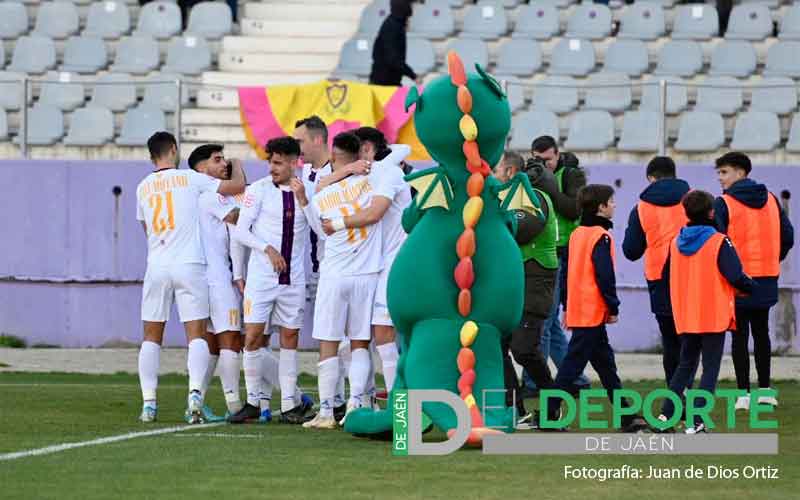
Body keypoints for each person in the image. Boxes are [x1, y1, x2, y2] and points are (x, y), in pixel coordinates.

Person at [135, 131, 245, 423]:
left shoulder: (143, 187)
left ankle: (149, 404)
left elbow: (146, 228)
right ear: (173, 149)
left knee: (151, 336)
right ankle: (195, 396)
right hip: (189, 264)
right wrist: (237, 161)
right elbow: (236, 186)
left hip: (156, 264)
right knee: (196, 335)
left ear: (151, 155)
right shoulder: (189, 178)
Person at [298, 132, 384, 429]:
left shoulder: (322, 194)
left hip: (334, 273)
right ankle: (356, 404)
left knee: (329, 343)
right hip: (366, 273)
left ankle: (325, 412)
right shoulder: (372, 183)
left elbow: (321, 232)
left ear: (333, 157)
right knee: (360, 344)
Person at [228, 137, 315, 424]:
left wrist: (304, 201)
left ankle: (290, 404)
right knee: (252, 337)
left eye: (278, 162)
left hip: (294, 280)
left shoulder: (308, 190)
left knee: (290, 338)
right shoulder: (259, 190)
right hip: (262, 279)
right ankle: (253, 401)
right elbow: (240, 231)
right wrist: (266, 248)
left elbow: (321, 231)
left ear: (294, 163)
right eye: (270, 162)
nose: (272, 168)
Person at [319, 127, 412, 395]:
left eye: (356, 154)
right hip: (372, 265)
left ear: (368, 150)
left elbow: (375, 213)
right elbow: (323, 186)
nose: (351, 162)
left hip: (394, 262)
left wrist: (336, 223)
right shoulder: (371, 173)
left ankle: (398, 400)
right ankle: (364, 398)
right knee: (360, 338)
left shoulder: (388, 173)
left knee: (382, 333)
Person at [547, 184, 646, 432]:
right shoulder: (601, 236)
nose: (614, 205)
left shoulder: (577, 234)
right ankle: (549, 415)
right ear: (601, 208)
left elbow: (567, 274)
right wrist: (613, 305)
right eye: (611, 202)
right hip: (592, 311)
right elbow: (605, 276)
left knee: (605, 366)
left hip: (581, 309)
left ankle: (627, 416)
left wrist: (567, 305)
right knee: (572, 367)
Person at [659, 190, 755, 434]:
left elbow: (666, 275)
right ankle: (697, 420)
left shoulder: (675, 242)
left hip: (686, 313)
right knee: (710, 368)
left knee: (685, 365)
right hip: (713, 313)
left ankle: (665, 415)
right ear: (712, 212)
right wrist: (751, 286)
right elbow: (734, 275)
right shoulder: (719, 241)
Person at [713, 152, 794, 409]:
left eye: (724, 173)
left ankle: (743, 394)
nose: (720, 178)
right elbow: (788, 236)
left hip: (738, 279)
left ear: (740, 172)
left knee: (739, 336)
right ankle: (766, 391)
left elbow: (718, 242)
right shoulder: (770, 199)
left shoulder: (723, 203)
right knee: (762, 334)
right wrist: (773, 258)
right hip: (768, 276)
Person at [496, 151, 560, 428]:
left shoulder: (535, 198)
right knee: (499, 346)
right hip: (513, 279)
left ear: (510, 172)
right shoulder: (504, 199)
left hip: (535, 278)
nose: (492, 175)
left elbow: (523, 230)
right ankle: (515, 409)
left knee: (523, 349)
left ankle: (554, 406)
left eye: (496, 170)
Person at [524, 136, 589, 395]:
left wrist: (549, 187)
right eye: (538, 160)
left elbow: (573, 210)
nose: (543, 165)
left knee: (543, 322)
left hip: (562, 254)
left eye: (547, 159)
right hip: (546, 254)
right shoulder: (533, 175)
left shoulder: (571, 175)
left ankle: (533, 384)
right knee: (550, 324)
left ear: (557, 154)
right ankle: (575, 379)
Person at [189, 144, 248, 422]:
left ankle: (196, 400)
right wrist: (238, 165)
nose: (224, 163)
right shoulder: (209, 194)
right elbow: (240, 217)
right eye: (217, 159)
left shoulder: (207, 195)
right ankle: (235, 405)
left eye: (224, 158)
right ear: (201, 168)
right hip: (216, 277)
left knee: (212, 342)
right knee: (231, 338)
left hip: (207, 276)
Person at [622, 156, 690, 387]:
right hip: (693, 277)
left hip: (660, 277)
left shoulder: (641, 208)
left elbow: (631, 251)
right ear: (674, 174)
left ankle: (675, 395)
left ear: (651, 178)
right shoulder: (695, 201)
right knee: (689, 340)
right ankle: (689, 393)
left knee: (670, 341)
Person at [369, 0, 418, 86]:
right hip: (383, 84)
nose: (413, 8)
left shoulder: (396, 23)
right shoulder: (393, 27)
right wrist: (413, 76)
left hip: (389, 80)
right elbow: (393, 59)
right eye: (411, 5)